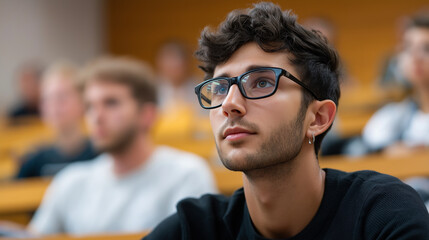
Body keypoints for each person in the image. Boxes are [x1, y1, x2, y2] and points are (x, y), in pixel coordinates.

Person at [144, 2, 429, 239]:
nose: (229, 104)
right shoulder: (192, 229)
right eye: (219, 88)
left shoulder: (381, 215)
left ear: (318, 118)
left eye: (261, 83)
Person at [29, 57, 217, 235]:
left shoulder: (186, 175)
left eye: (111, 103)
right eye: (90, 106)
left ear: (147, 115)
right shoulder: (70, 182)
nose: (97, 117)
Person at [362, 13, 429, 155]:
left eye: (427, 48)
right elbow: (369, 142)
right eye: (408, 47)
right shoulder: (394, 114)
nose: (416, 57)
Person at [16, 61, 98, 178]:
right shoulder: (34, 160)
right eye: (47, 98)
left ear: (83, 101)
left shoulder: (101, 154)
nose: (54, 106)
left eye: (62, 97)